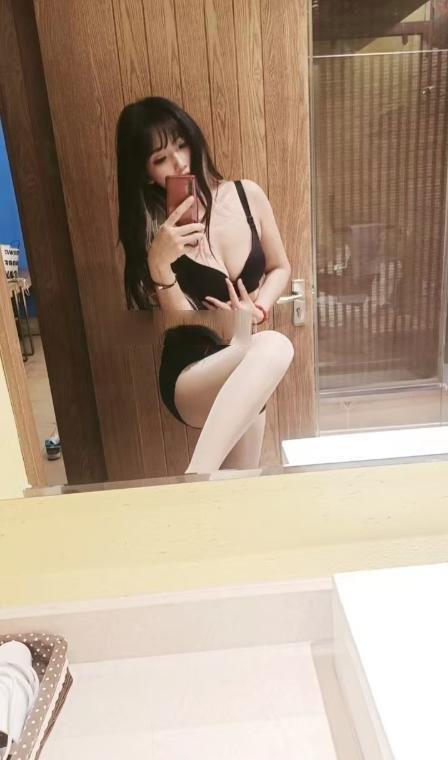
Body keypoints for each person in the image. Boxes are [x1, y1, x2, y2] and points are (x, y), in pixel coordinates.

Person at [116, 96, 293, 474]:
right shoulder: (154, 230)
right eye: (161, 158)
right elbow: (180, 324)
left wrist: (257, 310)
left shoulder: (247, 195)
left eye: (181, 145)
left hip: (246, 358)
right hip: (192, 371)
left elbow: (280, 267)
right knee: (275, 345)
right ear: (146, 173)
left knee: (238, 484)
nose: (180, 162)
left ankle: (201, 491)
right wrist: (159, 264)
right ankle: (194, 479)